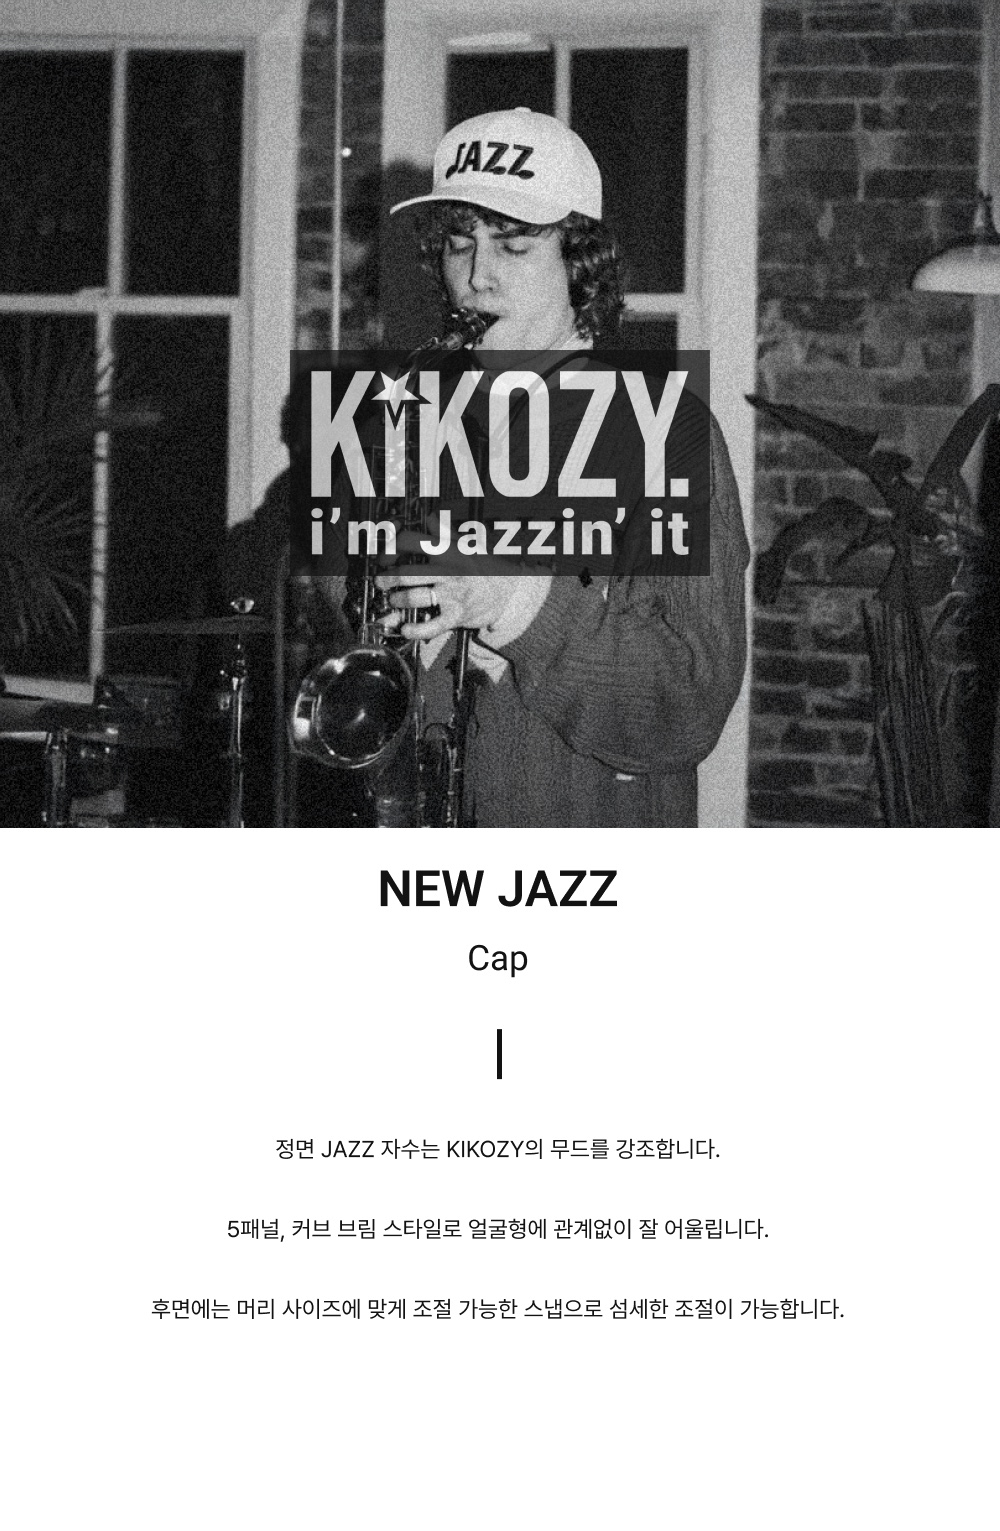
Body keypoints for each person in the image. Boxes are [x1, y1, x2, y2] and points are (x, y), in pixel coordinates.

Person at [305, 106, 749, 827]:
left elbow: (688, 706)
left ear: (581, 264)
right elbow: (354, 613)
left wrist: (513, 604)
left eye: (512, 246)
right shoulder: (403, 422)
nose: (476, 278)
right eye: (459, 245)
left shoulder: (670, 435)